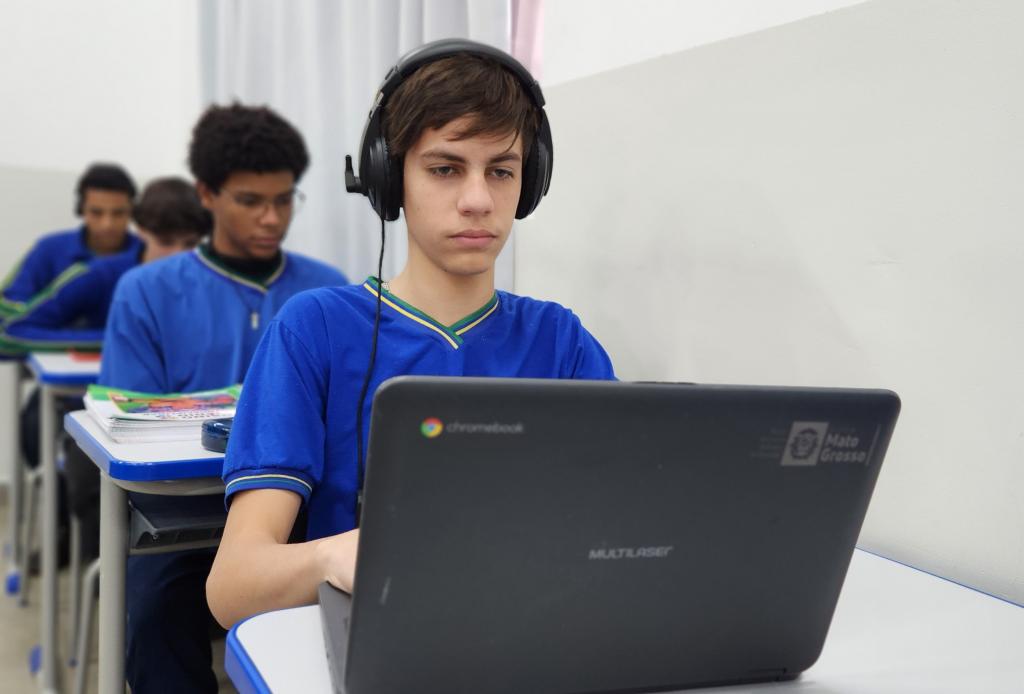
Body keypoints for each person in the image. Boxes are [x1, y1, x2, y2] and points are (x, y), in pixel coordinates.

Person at [207, 40, 615, 630]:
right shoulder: (315, 329)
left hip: (531, 632)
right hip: (373, 631)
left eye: (501, 171)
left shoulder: (561, 340)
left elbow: (615, 537)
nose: (478, 200)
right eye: (445, 169)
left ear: (528, 185)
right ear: (389, 179)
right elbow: (233, 586)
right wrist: (331, 557)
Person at [99, 103, 348, 693]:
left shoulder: (328, 290)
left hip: (300, 514)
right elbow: (128, 428)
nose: (272, 218)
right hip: (180, 521)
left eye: (284, 200)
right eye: (251, 201)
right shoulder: (147, 291)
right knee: (155, 618)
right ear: (207, 195)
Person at [0, 177, 209, 356]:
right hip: (87, 388)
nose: (178, 255)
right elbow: (12, 334)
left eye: (190, 244)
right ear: (141, 231)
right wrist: (116, 339)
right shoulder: (98, 274)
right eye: (165, 242)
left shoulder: (208, 280)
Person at [0, 162, 141, 318]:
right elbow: (8, 309)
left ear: (132, 212)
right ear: (81, 209)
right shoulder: (48, 249)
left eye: (118, 213)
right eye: (96, 213)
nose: (107, 224)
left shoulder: (147, 256)